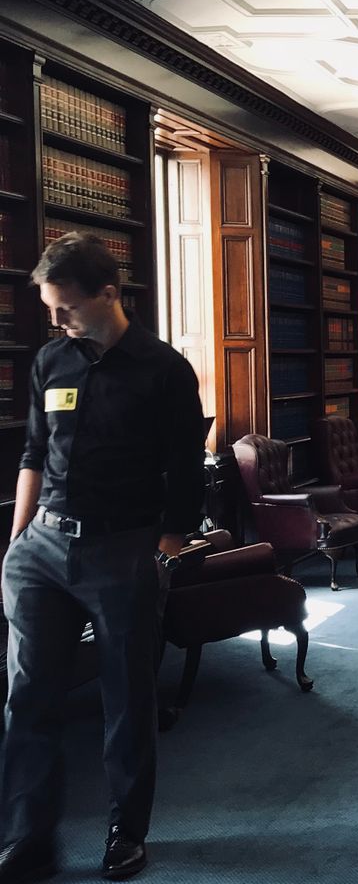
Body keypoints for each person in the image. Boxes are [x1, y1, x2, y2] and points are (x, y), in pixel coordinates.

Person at [0, 233, 205, 883]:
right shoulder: (50, 362)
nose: (57, 321)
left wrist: (164, 558)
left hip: (122, 550)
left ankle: (126, 831)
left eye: (66, 308)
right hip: (42, 550)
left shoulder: (165, 370)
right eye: (50, 309)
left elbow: (186, 475)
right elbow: (34, 454)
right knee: (29, 697)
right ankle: (29, 836)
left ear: (110, 294)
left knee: (126, 697)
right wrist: (17, 542)